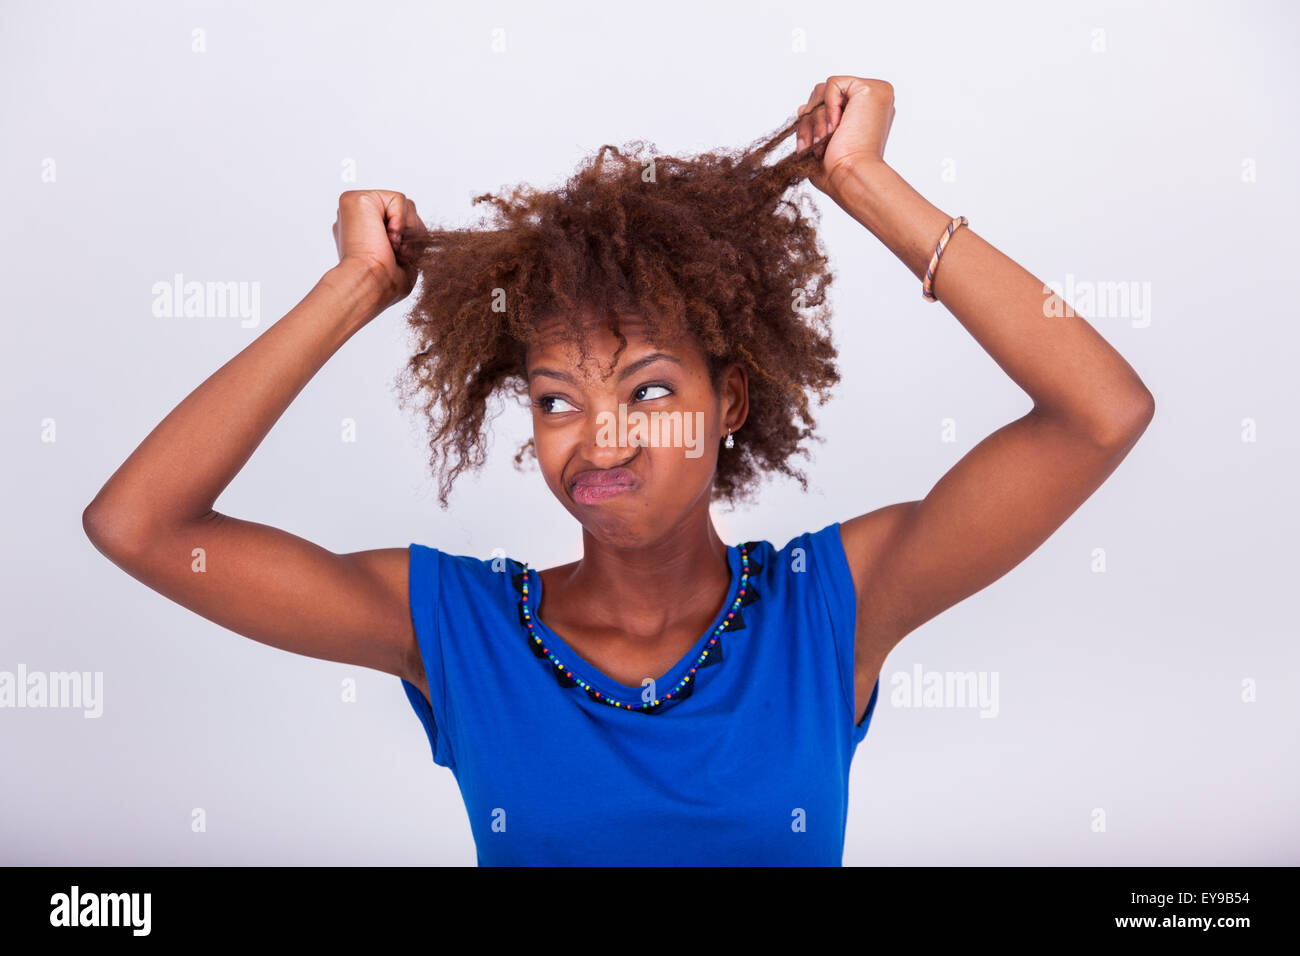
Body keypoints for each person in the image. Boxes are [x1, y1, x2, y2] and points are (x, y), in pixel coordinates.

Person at [82, 75, 1154, 865]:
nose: (599, 439)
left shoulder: (829, 607)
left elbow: (1098, 414)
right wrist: (354, 289)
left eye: (647, 391)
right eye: (556, 398)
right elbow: (138, 523)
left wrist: (865, 185)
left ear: (728, 401)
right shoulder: (455, 627)